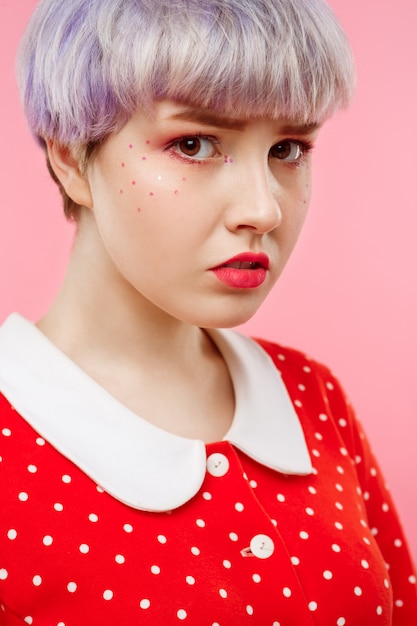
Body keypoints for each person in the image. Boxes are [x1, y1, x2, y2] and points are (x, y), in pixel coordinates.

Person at [0, 0, 415, 623]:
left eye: (288, 148)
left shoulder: (313, 397)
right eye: (193, 143)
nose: (264, 209)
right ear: (70, 158)